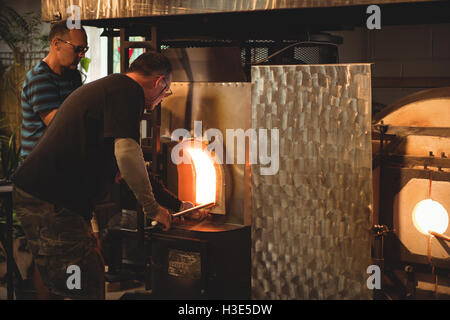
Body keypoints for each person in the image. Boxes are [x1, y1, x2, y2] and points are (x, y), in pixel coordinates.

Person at [12, 51, 178, 299]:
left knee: (82, 272)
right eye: (166, 92)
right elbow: (127, 154)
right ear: (159, 82)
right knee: (82, 279)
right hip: (51, 199)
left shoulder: (113, 90)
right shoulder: (128, 91)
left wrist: (176, 204)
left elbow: (130, 167)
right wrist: (152, 208)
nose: (161, 99)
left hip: (49, 197)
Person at [20, 20, 88, 159]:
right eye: (77, 49)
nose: (82, 55)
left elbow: (81, 113)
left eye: (84, 49)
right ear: (56, 44)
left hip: (59, 161)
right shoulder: (40, 78)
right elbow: (60, 127)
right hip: (38, 166)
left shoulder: (73, 75)